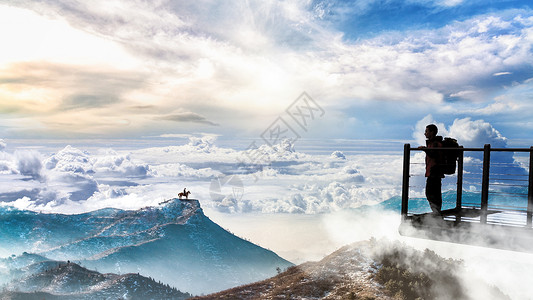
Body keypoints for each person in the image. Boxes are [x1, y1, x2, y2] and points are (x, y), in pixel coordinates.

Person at [419, 124, 444, 215]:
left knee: (431, 193)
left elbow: (434, 155)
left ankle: (437, 213)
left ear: (432, 132)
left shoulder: (436, 144)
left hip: (434, 171)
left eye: (426, 131)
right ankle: (437, 212)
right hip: (433, 171)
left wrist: (425, 149)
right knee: (434, 193)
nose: (425, 133)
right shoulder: (433, 143)